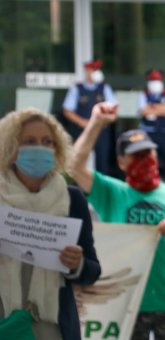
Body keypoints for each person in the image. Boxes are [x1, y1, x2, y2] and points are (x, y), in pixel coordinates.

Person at [67, 103, 165, 340]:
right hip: (125, 304)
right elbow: (74, 166)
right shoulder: (111, 192)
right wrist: (96, 122)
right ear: (121, 163)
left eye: (148, 153)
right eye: (136, 155)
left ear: (157, 156)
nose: (144, 159)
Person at [0, 108, 101, 340]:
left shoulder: (73, 199)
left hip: (54, 330)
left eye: (47, 142)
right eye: (30, 141)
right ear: (12, 149)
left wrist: (77, 265)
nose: (40, 148)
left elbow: (92, 272)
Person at [62, 59, 117, 176]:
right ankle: (79, 190)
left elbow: (114, 110)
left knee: (103, 163)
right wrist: (82, 122)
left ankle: (101, 190)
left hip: (101, 131)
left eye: (97, 69)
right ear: (87, 71)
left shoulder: (105, 88)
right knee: (77, 160)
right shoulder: (77, 88)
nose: (95, 72)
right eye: (93, 69)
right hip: (82, 130)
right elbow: (67, 111)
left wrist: (102, 120)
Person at [137, 68, 165, 187]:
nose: (155, 83)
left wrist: (152, 108)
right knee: (146, 162)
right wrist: (162, 109)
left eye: (157, 80)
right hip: (148, 134)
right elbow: (143, 111)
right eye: (152, 80)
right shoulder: (143, 94)